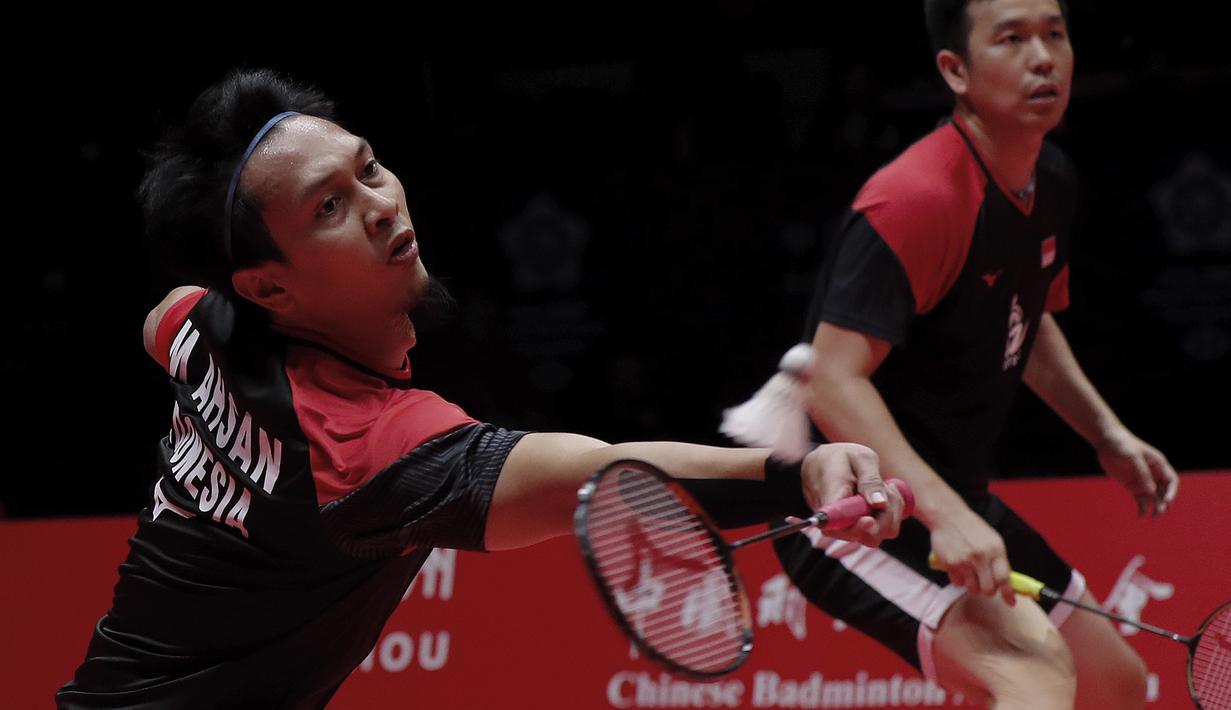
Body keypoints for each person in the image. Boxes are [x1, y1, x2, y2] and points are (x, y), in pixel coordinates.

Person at [55, 69, 906, 709]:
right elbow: (600, 474)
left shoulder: (201, 325)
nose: (381, 206)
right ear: (269, 288)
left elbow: (164, 317)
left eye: (370, 168)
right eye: (327, 209)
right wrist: (796, 477)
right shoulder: (365, 449)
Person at [771, 1, 1179, 708]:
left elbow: (1025, 318)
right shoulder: (915, 199)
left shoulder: (1046, 180)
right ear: (954, 70)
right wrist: (946, 516)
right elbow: (831, 383)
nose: (1043, 57)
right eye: (1012, 39)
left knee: (1112, 682)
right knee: (1029, 673)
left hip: (947, 496)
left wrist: (1103, 432)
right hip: (851, 509)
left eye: (1054, 34)